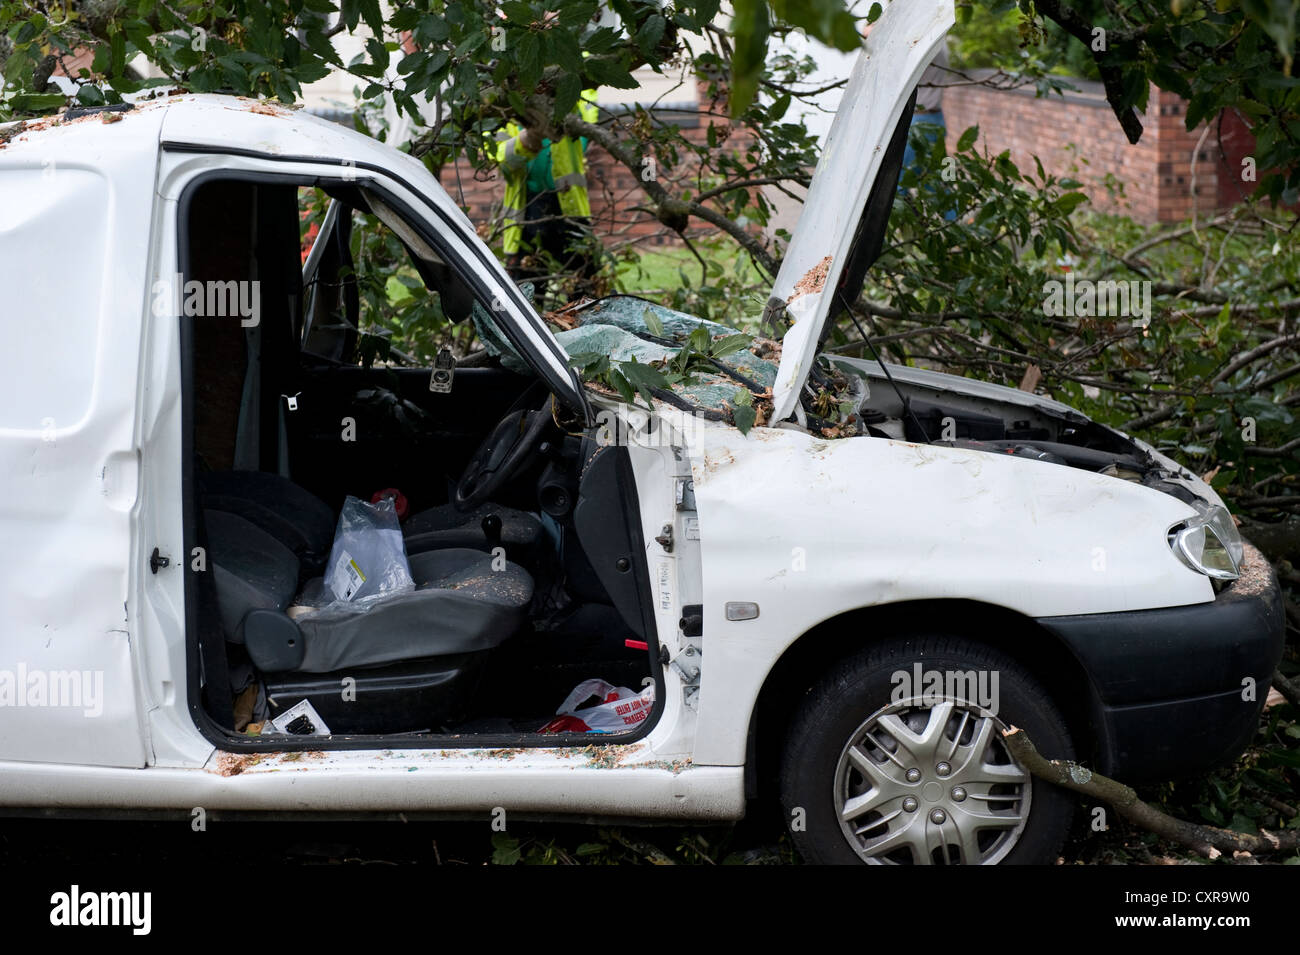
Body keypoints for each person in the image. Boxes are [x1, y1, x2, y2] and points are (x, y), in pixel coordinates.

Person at [495, 90, 600, 306]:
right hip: (527, 210)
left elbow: (586, 127)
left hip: (570, 209)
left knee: (584, 294)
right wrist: (528, 138)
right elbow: (503, 160)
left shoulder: (574, 92)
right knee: (526, 299)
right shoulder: (504, 104)